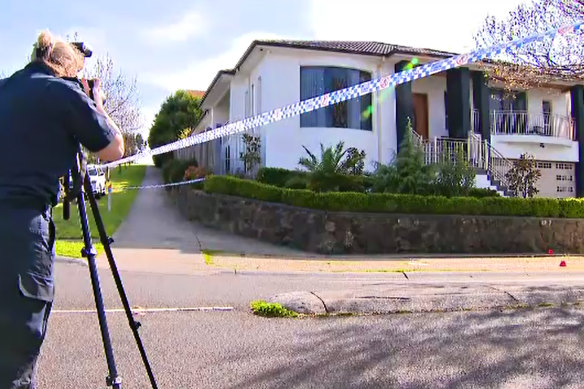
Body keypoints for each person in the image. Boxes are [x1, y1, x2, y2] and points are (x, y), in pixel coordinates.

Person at [0, 30, 124, 388]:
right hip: (21, 234)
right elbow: (112, 148)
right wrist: (95, 102)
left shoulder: (5, 89)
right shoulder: (62, 92)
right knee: (14, 360)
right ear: (66, 68)